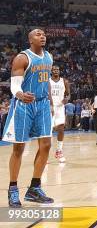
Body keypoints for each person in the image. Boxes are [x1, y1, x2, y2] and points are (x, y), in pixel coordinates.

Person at [2, 28, 55, 207]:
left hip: (42, 104)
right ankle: (13, 189)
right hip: (24, 105)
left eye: (44, 34)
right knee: (19, 149)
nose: (43, 36)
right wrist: (20, 94)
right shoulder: (22, 58)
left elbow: (46, 79)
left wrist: (51, 101)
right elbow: (14, 85)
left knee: (46, 145)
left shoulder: (49, 57)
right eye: (38, 34)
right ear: (30, 40)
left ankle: (34, 188)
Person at [49, 65, 70, 163]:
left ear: (59, 71)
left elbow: (68, 94)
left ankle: (59, 151)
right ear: (51, 71)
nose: (56, 71)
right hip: (49, 107)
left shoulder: (64, 81)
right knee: (48, 132)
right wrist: (50, 105)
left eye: (57, 69)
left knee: (61, 129)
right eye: (54, 70)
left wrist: (67, 99)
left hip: (60, 107)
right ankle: (45, 153)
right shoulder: (47, 81)